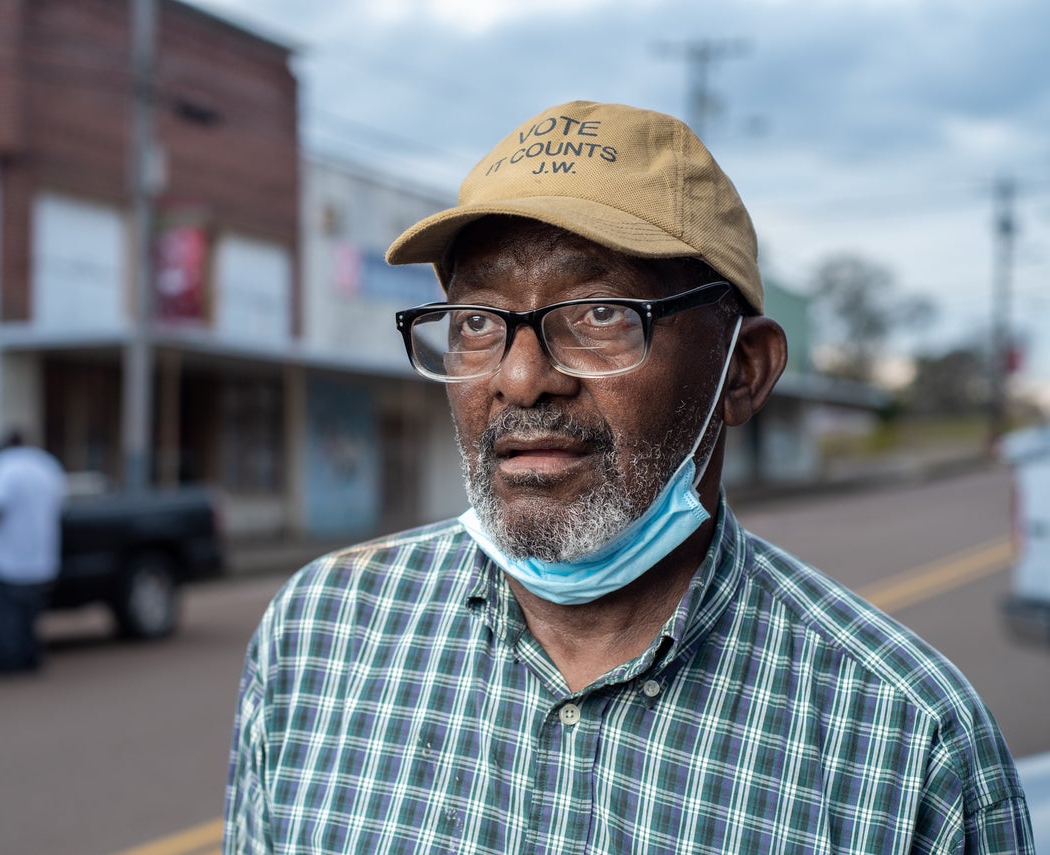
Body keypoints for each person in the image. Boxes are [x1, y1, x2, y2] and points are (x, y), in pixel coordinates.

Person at [225, 102, 1033, 852]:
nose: (520, 377)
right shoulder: (318, 634)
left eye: (601, 312)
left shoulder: (906, 741)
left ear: (743, 371)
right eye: (476, 322)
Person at [0, 429, 66, 676]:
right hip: (41, 555)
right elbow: (60, 504)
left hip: (10, 556)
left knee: (8, 616)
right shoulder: (46, 464)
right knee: (32, 613)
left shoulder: (4, 465)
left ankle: (10, 663)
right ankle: (31, 658)